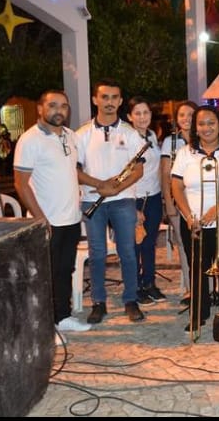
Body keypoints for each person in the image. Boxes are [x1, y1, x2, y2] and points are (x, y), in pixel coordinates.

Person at [13, 89, 90, 345]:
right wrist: (40, 219)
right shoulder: (30, 139)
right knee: (44, 275)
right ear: (40, 109)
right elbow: (21, 183)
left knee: (64, 270)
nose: (59, 110)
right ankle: (46, 327)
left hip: (70, 219)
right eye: (53, 105)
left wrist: (100, 185)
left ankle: (63, 316)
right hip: (47, 222)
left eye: (64, 106)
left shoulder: (70, 136)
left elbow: (72, 173)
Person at [76, 78, 146, 324]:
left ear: (120, 101)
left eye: (114, 97)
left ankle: (130, 300)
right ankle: (98, 302)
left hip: (123, 200)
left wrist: (116, 189)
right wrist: (100, 185)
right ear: (95, 100)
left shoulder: (130, 133)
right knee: (97, 253)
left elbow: (138, 170)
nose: (109, 102)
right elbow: (75, 170)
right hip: (92, 201)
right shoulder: (82, 134)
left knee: (128, 252)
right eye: (104, 97)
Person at [171, 105, 219, 332]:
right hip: (194, 222)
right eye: (201, 124)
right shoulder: (185, 153)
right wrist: (187, 216)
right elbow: (176, 186)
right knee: (197, 269)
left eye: (211, 123)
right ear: (195, 128)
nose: (206, 128)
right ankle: (199, 313)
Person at [126, 96, 167, 306]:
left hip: (153, 197)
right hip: (136, 199)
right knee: (135, 245)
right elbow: (126, 174)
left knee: (150, 243)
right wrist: (133, 207)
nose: (142, 117)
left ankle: (149, 283)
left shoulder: (151, 135)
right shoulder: (128, 140)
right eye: (137, 113)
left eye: (146, 113)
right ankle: (134, 288)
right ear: (129, 116)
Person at [161, 100, 198, 305]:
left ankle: (210, 288)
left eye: (191, 114)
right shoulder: (170, 142)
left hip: (201, 200)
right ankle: (191, 289)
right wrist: (168, 202)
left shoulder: (205, 138)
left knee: (205, 245)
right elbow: (165, 173)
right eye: (182, 115)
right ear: (176, 119)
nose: (186, 119)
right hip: (179, 201)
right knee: (185, 246)